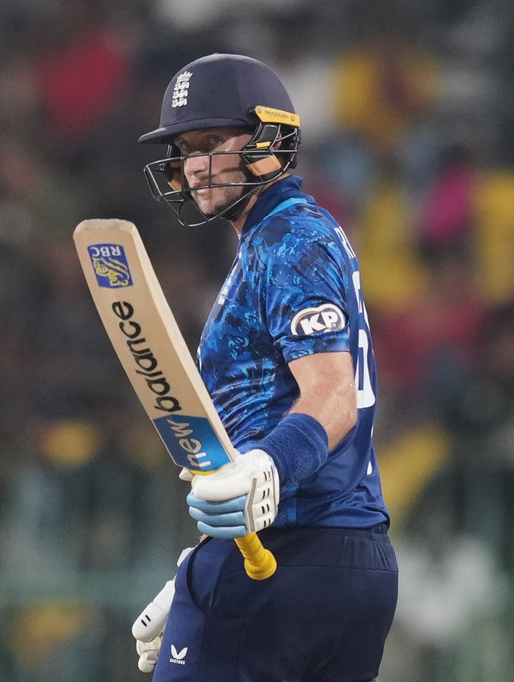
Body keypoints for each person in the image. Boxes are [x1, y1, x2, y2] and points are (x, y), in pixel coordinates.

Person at [131, 53, 398, 681]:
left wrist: (265, 470)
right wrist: (206, 557)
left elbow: (333, 396)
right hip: (355, 561)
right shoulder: (293, 236)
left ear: (270, 138)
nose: (193, 164)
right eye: (183, 148)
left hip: (282, 561)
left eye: (211, 141)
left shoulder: (288, 240)